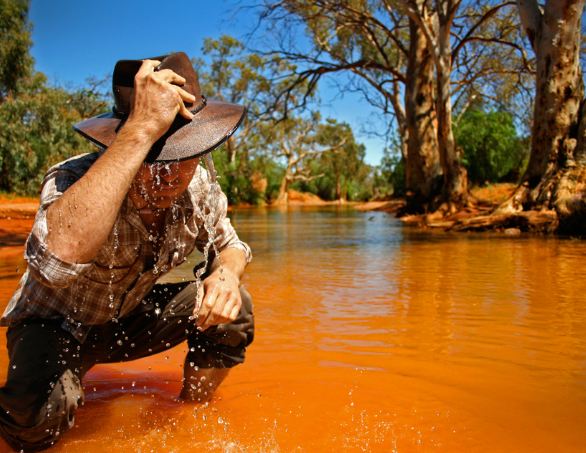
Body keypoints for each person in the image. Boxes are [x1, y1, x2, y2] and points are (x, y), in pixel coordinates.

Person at [0, 52, 254, 451]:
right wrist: (140, 133)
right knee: (36, 415)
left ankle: (191, 415)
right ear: (120, 139)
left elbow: (232, 245)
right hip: (56, 325)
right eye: (156, 154)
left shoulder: (200, 185)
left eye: (184, 153)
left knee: (235, 307)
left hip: (129, 318)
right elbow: (54, 263)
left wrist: (226, 273)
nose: (169, 172)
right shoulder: (74, 177)